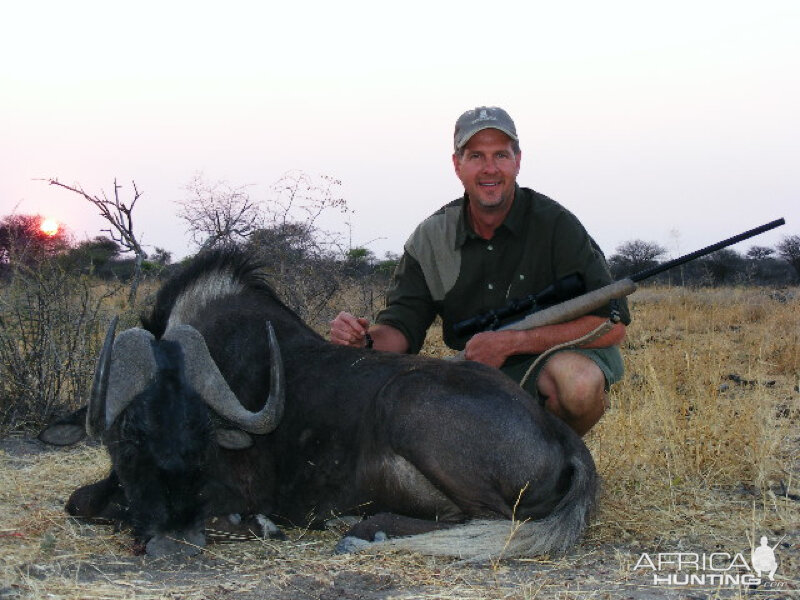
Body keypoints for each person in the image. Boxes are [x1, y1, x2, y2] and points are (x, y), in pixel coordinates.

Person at [330, 106, 630, 436]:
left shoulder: (557, 225)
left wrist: (513, 342)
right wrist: (364, 343)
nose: (490, 169)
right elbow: (401, 327)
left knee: (578, 384)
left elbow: (611, 326)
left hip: (553, 356)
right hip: (477, 367)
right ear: (457, 165)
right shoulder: (431, 237)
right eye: (476, 156)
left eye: (500, 155)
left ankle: (557, 469)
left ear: (517, 161)